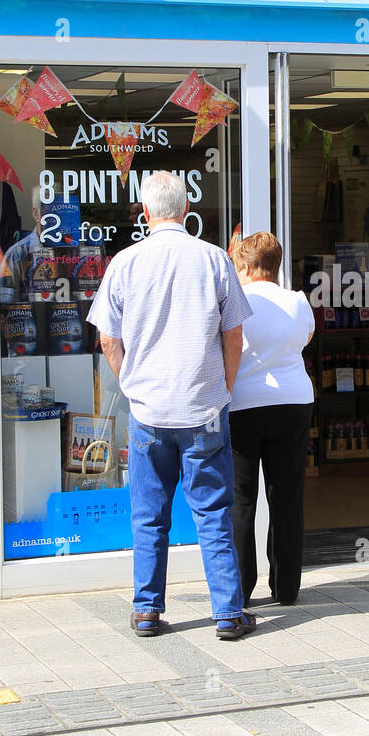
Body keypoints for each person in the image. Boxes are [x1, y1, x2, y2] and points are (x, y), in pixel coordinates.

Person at [87, 171, 256, 641]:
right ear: (186, 211)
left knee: (148, 514)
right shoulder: (214, 260)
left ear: (145, 214)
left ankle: (146, 610)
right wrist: (222, 389)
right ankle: (227, 612)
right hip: (204, 409)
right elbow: (235, 334)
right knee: (214, 513)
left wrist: (133, 386)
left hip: (149, 413)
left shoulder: (124, 263)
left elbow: (107, 339)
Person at [228, 232, 316, 605]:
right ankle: (285, 587)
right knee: (287, 496)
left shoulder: (236, 301)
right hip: (293, 401)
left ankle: (240, 589)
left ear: (246, 267)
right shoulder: (297, 301)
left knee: (241, 499)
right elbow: (306, 337)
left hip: (243, 404)